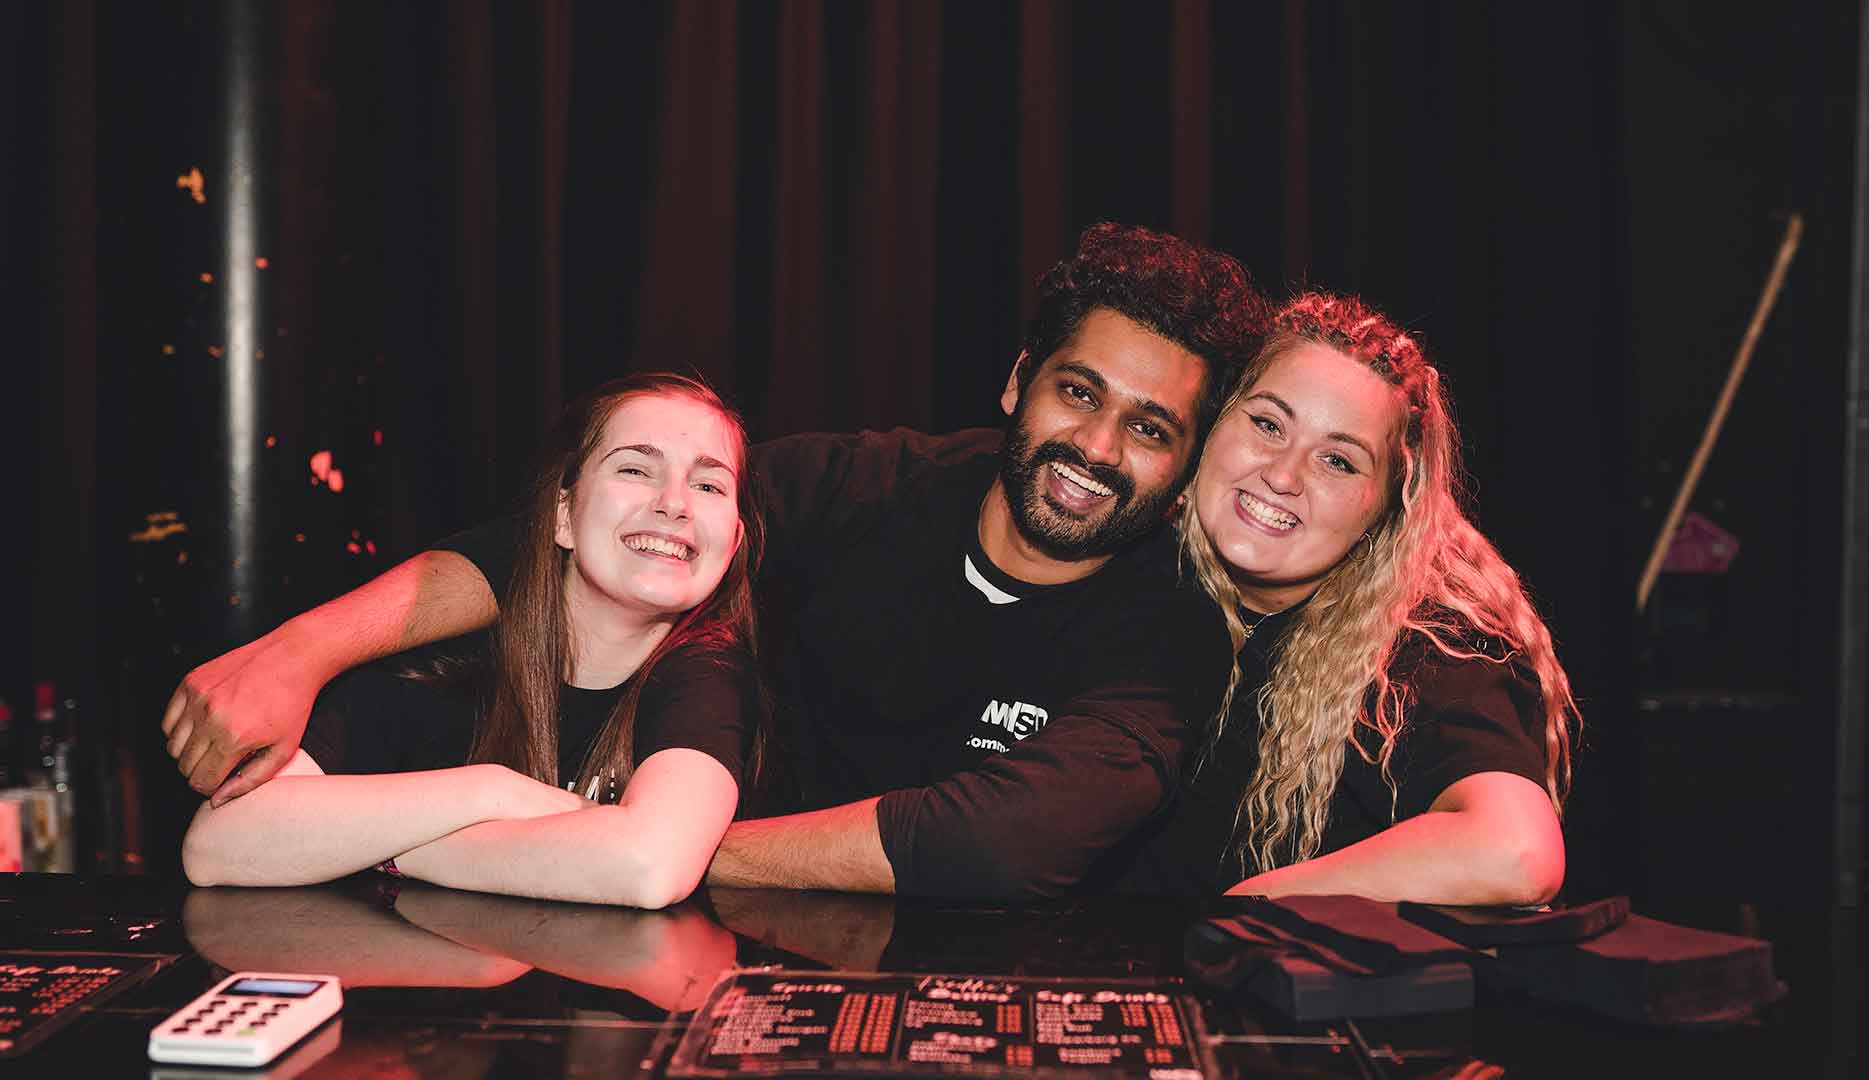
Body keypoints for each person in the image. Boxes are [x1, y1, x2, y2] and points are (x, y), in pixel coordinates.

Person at [165, 224, 1274, 900]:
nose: (1096, 448)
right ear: (1017, 383)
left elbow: (999, 847)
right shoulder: (861, 489)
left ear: (1184, 465)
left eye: (1151, 426)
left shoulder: (1170, 631)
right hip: (725, 972)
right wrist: (298, 651)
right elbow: (541, 552)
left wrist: (668, 842)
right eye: (1078, 392)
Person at [179, 372, 765, 910]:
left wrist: (393, 854)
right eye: (635, 469)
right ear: (562, 514)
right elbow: (217, 844)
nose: (674, 504)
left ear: (734, 540)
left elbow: (649, 866)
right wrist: (489, 792)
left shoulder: (709, 675)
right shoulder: (441, 663)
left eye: (709, 484)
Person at [1101, 293, 1578, 904]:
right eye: (1268, 424)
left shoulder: (1422, 652)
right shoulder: (1136, 560)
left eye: (1338, 460)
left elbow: (1516, 851)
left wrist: (1247, 910)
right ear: (1213, 421)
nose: (1283, 475)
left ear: (1385, 509)